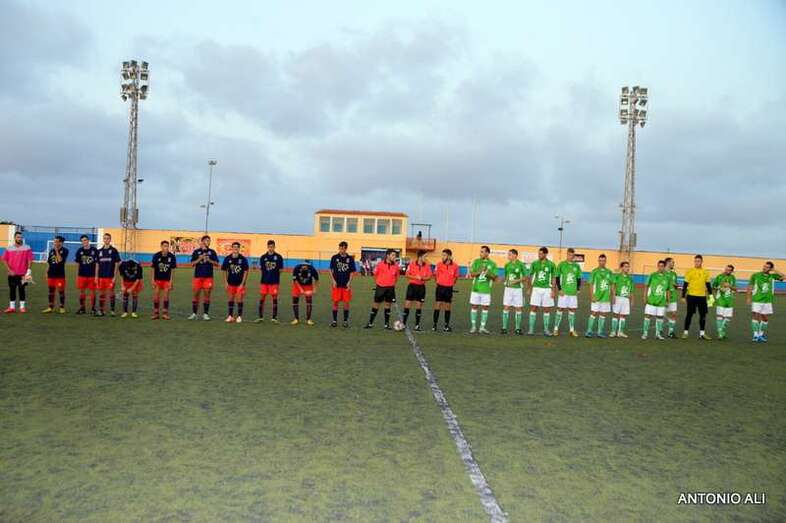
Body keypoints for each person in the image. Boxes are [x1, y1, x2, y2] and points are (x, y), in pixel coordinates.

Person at [747, 261, 784, 343]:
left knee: (765, 318)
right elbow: (750, 286)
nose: (764, 268)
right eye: (764, 266)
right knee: (755, 316)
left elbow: (784, 277)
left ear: (770, 268)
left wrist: (774, 270)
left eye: (767, 267)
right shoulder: (755, 275)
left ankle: (761, 334)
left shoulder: (773, 276)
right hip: (757, 299)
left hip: (767, 300)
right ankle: (755, 335)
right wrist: (748, 298)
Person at [365, 249, 398, 330]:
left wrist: (392, 283)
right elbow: (375, 274)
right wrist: (379, 283)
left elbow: (397, 276)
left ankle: (386, 325)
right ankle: (370, 323)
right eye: (393, 255)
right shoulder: (380, 264)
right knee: (376, 305)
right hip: (380, 288)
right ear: (388, 256)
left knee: (388, 305)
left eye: (395, 255)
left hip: (390, 288)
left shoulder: (396, 266)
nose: (394, 257)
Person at [681, 254, 712, 340]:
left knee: (703, 315)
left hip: (702, 297)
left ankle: (702, 334)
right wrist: (683, 296)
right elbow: (685, 284)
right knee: (689, 314)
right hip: (691, 296)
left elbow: (708, 284)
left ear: (702, 262)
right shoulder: (689, 271)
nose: (697, 263)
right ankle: (685, 332)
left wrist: (711, 295)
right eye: (695, 261)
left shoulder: (706, 272)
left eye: (698, 261)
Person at [1, 231, 34, 313]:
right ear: (15, 238)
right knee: (12, 290)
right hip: (12, 274)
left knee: (22, 290)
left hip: (23, 274)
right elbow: (4, 259)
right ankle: (11, 307)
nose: (20, 239)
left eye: (21, 237)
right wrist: (9, 270)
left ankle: (22, 307)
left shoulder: (27, 247)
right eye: (18, 237)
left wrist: (29, 270)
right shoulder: (9, 248)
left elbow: (30, 259)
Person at [189, 235, 220, 320]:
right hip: (198, 277)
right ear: (202, 241)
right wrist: (200, 259)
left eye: (209, 241)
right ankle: (194, 314)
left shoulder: (212, 252)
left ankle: (205, 314)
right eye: (207, 240)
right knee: (196, 295)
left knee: (207, 295)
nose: (208, 242)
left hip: (208, 277)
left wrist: (209, 260)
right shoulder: (196, 252)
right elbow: (192, 264)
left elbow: (217, 264)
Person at [468, 246, 498, 334]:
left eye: (482, 252)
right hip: (476, 289)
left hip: (486, 290)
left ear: (487, 253)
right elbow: (472, 274)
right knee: (474, 307)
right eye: (480, 251)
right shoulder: (476, 262)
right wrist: (479, 271)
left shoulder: (493, 264)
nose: (480, 253)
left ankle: (482, 327)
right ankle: (473, 327)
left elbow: (495, 278)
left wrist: (487, 272)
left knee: (485, 308)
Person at [528, 247, 557, 336]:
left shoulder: (551, 264)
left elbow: (554, 278)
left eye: (541, 254)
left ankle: (546, 330)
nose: (539, 255)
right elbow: (530, 276)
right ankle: (531, 330)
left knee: (546, 309)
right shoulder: (534, 263)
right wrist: (529, 288)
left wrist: (553, 290)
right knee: (533, 308)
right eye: (538, 253)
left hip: (547, 289)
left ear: (545, 254)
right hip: (536, 288)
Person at [554, 247, 582, 336]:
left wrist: (578, 288)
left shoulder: (577, 266)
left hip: (573, 293)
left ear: (574, 256)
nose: (571, 257)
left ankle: (572, 330)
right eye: (569, 255)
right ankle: (555, 329)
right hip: (564, 292)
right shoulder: (561, 264)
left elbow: (578, 278)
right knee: (560, 309)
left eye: (572, 255)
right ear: (567, 254)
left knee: (572, 310)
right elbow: (557, 277)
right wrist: (559, 289)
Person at [329, 241, 356, 328]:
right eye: (340, 248)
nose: (341, 250)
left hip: (345, 285)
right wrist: (333, 280)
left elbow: (352, 272)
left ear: (346, 248)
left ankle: (345, 321)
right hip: (336, 284)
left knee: (346, 303)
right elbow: (330, 270)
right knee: (335, 302)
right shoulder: (334, 257)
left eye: (343, 249)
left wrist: (349, 282)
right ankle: (334, 321)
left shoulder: (350, 259)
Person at [403, 250, 431, 331]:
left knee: (419, 306)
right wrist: (415, 277)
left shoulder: (427, 266)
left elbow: (429, 277)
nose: (426, 258)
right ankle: (403, 324)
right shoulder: (411, 264)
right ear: (420, 257)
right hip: (412, 287)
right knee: (407, 304)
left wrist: (422, 278)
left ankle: (417, 325)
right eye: (425, 256)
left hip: (421, 288)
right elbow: (406, 275)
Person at [586, 254, 613, 338]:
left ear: (606, 261)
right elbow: (590, 284)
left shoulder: (609, 272)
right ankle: (589, 331)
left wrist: (612, 295)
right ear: (598, 261)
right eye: (600, 260)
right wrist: (592, 296)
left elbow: (612, 284)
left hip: (606, 297)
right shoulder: (594, 271)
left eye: (603, 261)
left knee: (603, 314)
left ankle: (600, 332)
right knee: (593, 313)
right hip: (596, 297)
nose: (602, 262)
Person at [257, 240, 284, 323]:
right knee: (262, 298)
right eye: (269, 247)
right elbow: (261, 268)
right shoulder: (263, 257)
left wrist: (275, 275)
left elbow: (281, 270)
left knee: (274, 298)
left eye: (272, 247)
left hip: (274, 282)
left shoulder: (278, 257)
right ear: (267, 247)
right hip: (264, 281)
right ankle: (260, 317)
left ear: (274, 247)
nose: (271, 248)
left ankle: (274, 318)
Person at [642, 260, 671, 340]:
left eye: (662, 266)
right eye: (659, 266)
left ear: (664, 267)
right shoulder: (652, 275)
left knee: (660, 317)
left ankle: (658, 334)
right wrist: (644, 297)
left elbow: (668, 290)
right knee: (648, 316)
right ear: (657, 266)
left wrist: (668, 301)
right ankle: (645, 334)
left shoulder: (667, 277)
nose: (660, 267)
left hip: (662, 301)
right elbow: (646, 286)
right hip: (651, 300)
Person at [432, 248, 460, 332]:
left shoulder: (455, 266)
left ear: (449, 256)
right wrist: (439, 282)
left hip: (449, 288)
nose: (442, 257)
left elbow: (456, 277)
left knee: (448, 306)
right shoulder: (439, 264)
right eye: (442, 255)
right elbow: (435, 275)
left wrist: (450, 283)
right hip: (440, 287)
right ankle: (434, 325)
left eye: (444, 255)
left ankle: (446, 326)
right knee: (437, 305)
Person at [222, 241, 249, 323]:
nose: (235, 249)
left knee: (239, 299)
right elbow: (224, 270)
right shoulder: (228, 258)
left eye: (237, 247)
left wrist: (242, 283)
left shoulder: (243, 259)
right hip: (230, 283)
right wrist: (226, 282)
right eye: (234, 247)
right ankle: (230, 316)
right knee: (230, 299)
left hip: (239, 284)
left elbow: (246, 271)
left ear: (239, 248)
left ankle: (239, 316)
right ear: (232, 248)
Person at [501, 248, 527, 335]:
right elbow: (506, 276)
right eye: (508, 254)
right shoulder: (507, 265)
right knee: (506, 307)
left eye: (510, 254)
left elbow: (526, 277)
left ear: (515, 255)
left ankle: (517, 329)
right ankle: (504, 328)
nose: (508, 256)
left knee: (518, 308)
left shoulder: (521, 265)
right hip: (508, 289)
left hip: (518, 289)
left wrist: (516, 281)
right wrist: (504, 281)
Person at [96, 233, 121, 317]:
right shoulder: (99, 251)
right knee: (101, 293)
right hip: (101, 276)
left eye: (108, 238)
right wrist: (96, 276)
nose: (106, 240)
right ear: (103, 240)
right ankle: (101, 310)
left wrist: (115, 276)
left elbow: (117, 263)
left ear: (110, 240)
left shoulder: (114, 250)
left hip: (110, 276)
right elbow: (97, 264)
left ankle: (112, 311)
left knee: (111, 293)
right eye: (105, 238)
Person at [151, 240, 177, 320]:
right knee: (156, 296)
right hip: (157, 279)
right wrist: (152, 280)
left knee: (166, 296)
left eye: (167, 246)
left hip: (167, 280)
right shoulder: (156, 256)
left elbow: (172, 270)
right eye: (164, 246)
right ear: (161, 247)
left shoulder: (172, 256)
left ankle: (165, 313)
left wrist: (171, 281)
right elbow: (153, 268)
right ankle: (156, 313)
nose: (166, 248)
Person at [43, 235, 69, 314]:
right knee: (51, 291)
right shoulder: (51, 251)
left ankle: (62, 307)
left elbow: (60, 260)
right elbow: (49, 262)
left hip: (60, 275)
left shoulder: (65, 250)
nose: (55, 243)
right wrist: (46, 272)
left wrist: (57, 250)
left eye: (57, 242)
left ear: (61, 243)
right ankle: (50, 307)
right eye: (54, 242)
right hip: (51, 274)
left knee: (61, 291)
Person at [74, 234, 99, 315]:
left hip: (92, 275)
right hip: (82, 275)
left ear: (88, 240)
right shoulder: (79, 251)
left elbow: (97, 264)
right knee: (82, 292)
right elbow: (78, 264)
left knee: (93, 292)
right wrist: (77, 275)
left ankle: (93, 308)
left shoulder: (95, 250)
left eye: (85, 240)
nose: (84, 242)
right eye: (82, 241)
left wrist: (96, 276)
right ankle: (82, 308)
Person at [712, 265, 737, 340]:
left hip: (730, 300)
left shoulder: (733, 278)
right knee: (720, 316)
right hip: (720, 299)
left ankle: (722, 331)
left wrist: (729, 286)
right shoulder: (719, 276)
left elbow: (735, 289)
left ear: (732, 271)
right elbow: (713, 286)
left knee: (728, 318)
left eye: (729, 270)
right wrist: (720, 288)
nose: (727, 271)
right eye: (726, 269)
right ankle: (720, 333)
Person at [610, 261, 634, 338]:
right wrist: (613, 296)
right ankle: (613, 331)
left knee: (623, 315)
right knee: (615, 314)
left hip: (626, 299)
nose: (627, 268)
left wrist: (632, 300)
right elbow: (613, 286)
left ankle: (620, 332)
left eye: (628, 266)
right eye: (625, 266)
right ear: (622, 268)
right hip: (618, 297)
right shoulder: (617, 276)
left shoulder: (630, 279)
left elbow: (631, 290)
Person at [291, 259, 319, 325]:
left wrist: (315, 289)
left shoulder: (312, 269)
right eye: (303, 267)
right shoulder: (296, 268)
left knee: (309, 301)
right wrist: (300, 289)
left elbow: (317, 279)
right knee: (295, 300)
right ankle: (296, 319)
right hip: (297, 284)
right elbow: (295, 280)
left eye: (306, 267)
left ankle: (308, 320)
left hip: (308, 286)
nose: (305, 267)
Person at [664, 257, 679, 338]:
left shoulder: (674, 274)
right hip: (663, 297)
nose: (673, 264)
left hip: (673, 297)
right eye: (672, 262)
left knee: (674, 314)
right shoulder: (662, 273)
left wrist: (676, 285)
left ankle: (670, 332)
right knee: (661, 314)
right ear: (668, 263)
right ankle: (659, 331)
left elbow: (675, 284)